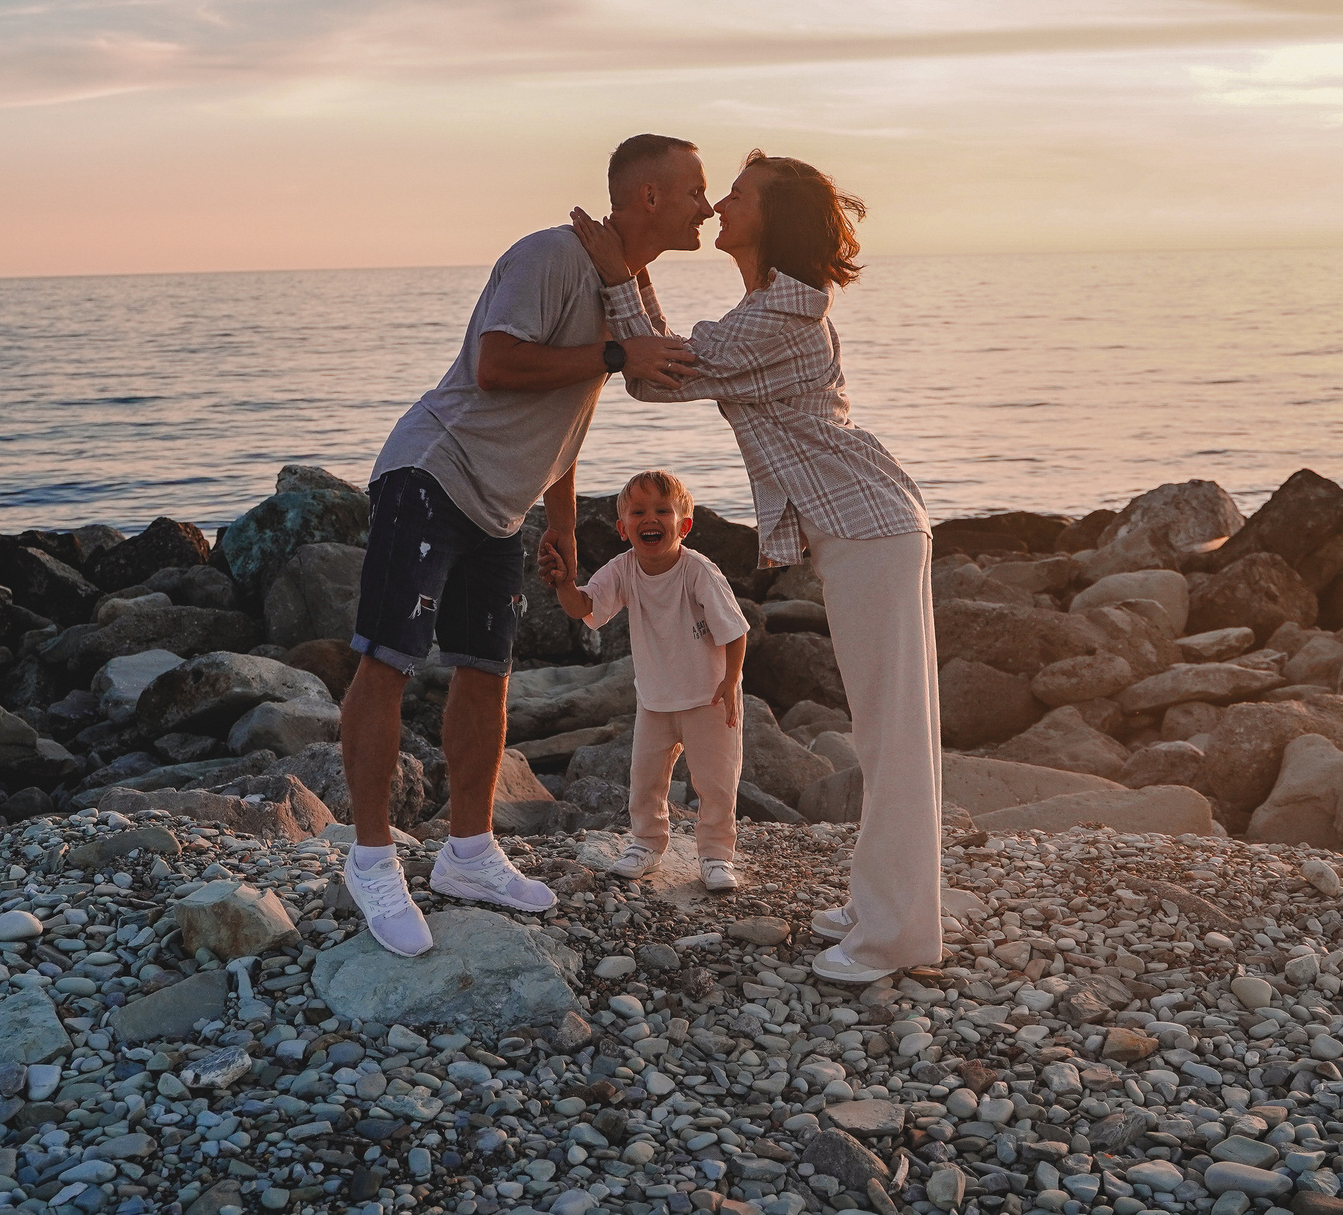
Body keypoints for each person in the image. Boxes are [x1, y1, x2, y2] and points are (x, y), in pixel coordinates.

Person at [335, 134, 714, 959]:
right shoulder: (552, 255)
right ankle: (370, 859)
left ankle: (468, 852)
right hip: (435, 470)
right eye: (694, 190)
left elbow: (572, 408)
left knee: (487, 673)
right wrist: (616, 351)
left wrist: (565, 522)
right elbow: (497, 363)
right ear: (646, 196)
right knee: (387, 659)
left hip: (504, 507)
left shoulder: (624, 284)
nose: (707, 206)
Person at [569, 151, 939, 984]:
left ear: (772, 219)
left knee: (893, 740)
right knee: (891, 733)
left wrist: (618, 272)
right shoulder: (769, 307)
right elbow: (661, 369)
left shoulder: (782, 314)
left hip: (870, 529)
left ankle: (896, 933)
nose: (718, 206)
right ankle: (884, 902)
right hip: (866, 527)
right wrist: (626, 281)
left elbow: (657, 379)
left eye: (733, 195)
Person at [538, 468, 752, 893]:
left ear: (683, 525)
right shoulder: (623, 570)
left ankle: (715, 855)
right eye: (638, 512)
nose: (650, 518)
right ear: (623, 528)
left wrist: (731, 681)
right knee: (646, 779)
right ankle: (646, 844)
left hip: (709, 696)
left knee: (715, 782)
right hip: (654, 698)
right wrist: (563, 582)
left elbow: (736, 629)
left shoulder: (698, 572)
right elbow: (583, 606)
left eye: (662, 510)